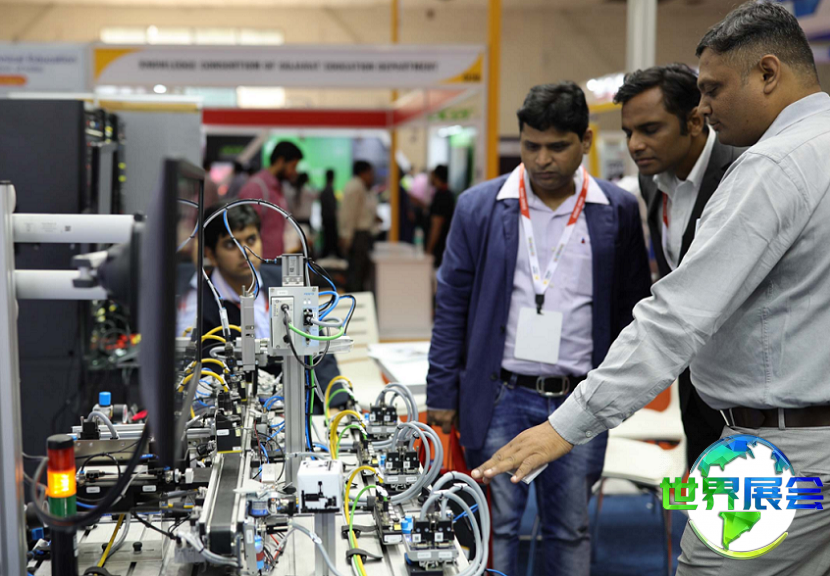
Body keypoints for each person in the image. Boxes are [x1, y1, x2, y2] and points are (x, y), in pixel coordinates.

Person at [471, 3, 830, 574]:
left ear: (768, 73)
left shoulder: (771, 166)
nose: (704, 107)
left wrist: (566, 425)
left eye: (713, 89)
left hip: (784, 451)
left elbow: (675, 316)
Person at [426, 82, 651, 576]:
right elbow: (452, 306)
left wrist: (617, 392)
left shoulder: (616, 210)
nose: (542, 159)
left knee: (569, 528)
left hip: (579, 399)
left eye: (557, 146)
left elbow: (631, 309)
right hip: (501, 395)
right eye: (531, 146)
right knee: (496, 526)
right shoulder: (480, 207)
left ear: (585, 141)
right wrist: (440, 392)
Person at [613, 63, 744, 469]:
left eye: (650, 129)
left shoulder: (742, 173)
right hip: (693, 378)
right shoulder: (652, 181)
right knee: (705, 495)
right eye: (628, 133)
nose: (635, 145)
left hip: (750, 388)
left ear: (694, 121)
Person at [175, 202, 346, 406]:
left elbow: (319, 354)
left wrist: (337, 403)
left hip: (299, 405)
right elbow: (203, 376)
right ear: (211, 254)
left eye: (251, 239)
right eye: (231, 244)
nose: (245, 251)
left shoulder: (286, 281)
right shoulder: (199, 304)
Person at [238, 141, 303, 260]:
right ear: (280, 161)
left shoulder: (277, 187)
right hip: (262, 262)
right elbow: (245, 231)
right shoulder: (257, 187)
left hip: (278, 260)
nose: (294, 172)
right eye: (293, 166)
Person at [339, 161, 378, 292]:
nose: (372, 177)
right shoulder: (356, 187)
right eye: (370, 173)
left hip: (361, 235)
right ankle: (354, 298)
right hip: (358, 235)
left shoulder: (360, 187)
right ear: (363, 173)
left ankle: (356, 296)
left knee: (360, 271)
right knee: (357, 272)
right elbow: (350, 214)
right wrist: (347, 236)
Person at [426, 165, 455, 269]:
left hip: (439, 250)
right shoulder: (449, 194)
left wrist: (429, 250)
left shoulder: (441, 196)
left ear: (437, 177)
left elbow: (436, 226)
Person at [319, 169, 341, 258]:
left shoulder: (325, 189)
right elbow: (332, 206)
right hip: (329, 219)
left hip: (326, 218)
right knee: (330, 238)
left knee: (328, 239)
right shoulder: (329, 190)